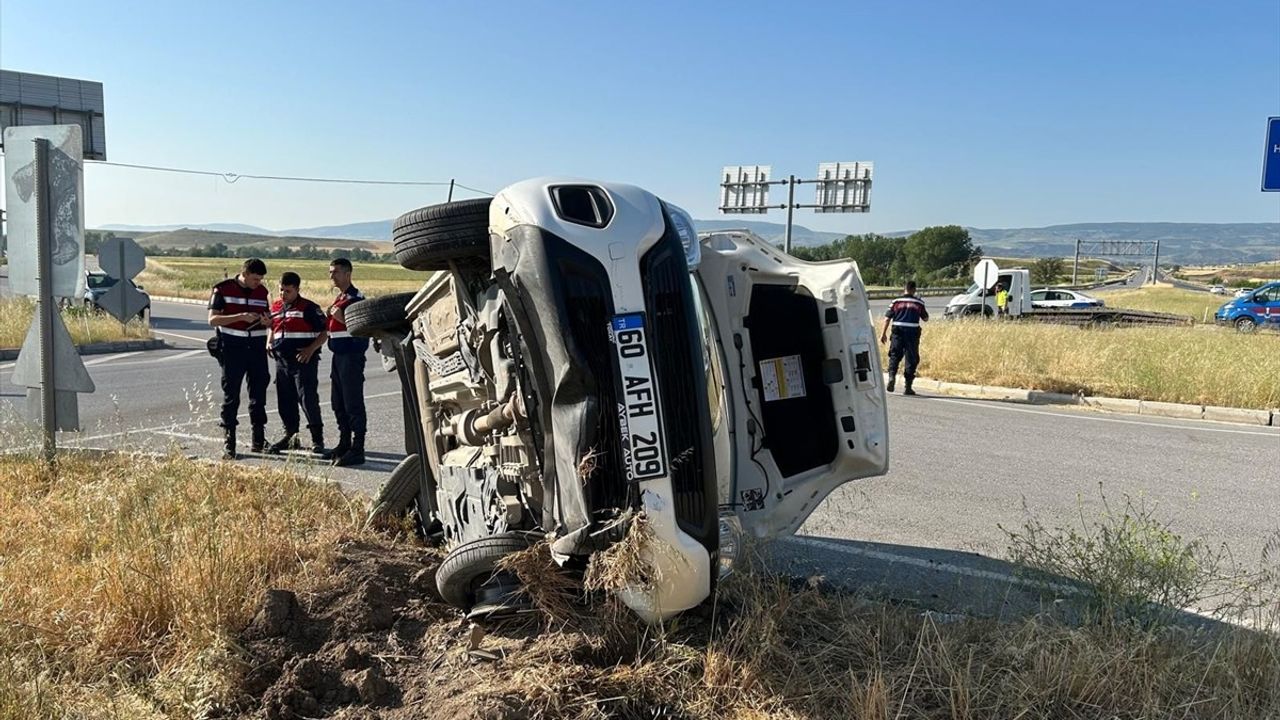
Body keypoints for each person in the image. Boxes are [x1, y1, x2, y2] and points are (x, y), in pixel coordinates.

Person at [208, 258, 271, 459]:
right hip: (232, 349)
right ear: (244, 274)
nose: (258, 283)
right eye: (255, 279)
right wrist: (240, 317)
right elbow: (212, 319)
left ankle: (258, 439)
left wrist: (266, 321)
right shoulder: (223, 289)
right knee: (231, 395)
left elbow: (267, 316)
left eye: (260, 279)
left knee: (259, 394)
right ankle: (230, 441)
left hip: (257, 348)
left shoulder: (262, 292)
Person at [265, 272, 328, 455]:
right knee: (285, 400)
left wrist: (310, 349)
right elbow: (273, 326)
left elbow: (325, 332)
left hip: (303, 361)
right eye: (281, 290)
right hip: (282, 361)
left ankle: (317, 439)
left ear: (297, 289)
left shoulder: (309, 308)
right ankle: (291, 437)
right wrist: (269, 341)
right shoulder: (276, 306)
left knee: (307, 399)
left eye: (288, 291)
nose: (283, 294)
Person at [323, 258, 370, 466]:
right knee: (338, 402)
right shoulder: (341, 298)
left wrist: (339, 317)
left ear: (347, 274)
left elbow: (360, 328)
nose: (331, 276)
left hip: (351, 355)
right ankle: (344, 443)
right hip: (338, 355)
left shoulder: (356, 299)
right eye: (330, 272)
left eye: (335, 272)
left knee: (353, 403)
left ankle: (358, 448)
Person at [880, 280, 929, 396]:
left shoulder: (896, 302)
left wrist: (883, 334)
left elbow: (887, 318)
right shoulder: (919, 303)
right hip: (912, 333)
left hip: (897, 332)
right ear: (914, 290)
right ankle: (908, 387)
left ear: (904, 289)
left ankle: (892, 377)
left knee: (894, 355)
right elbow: (926, 318)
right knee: (911, 359)